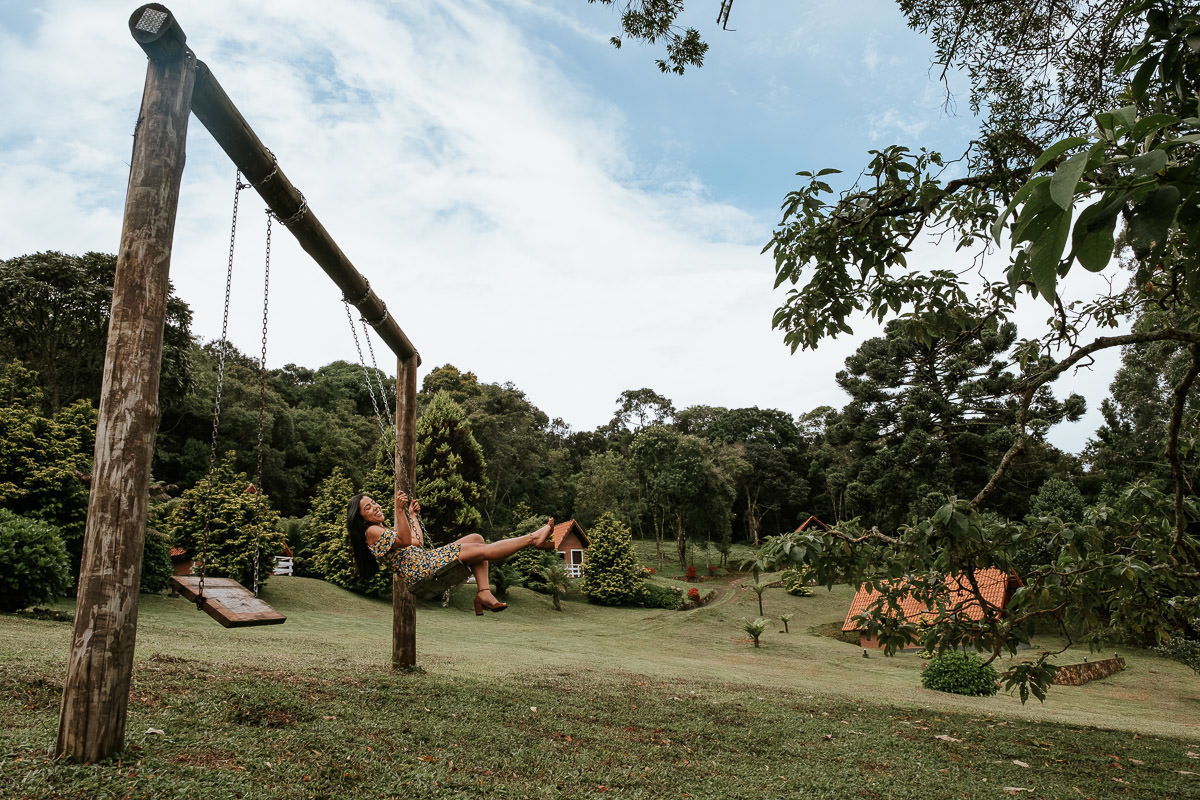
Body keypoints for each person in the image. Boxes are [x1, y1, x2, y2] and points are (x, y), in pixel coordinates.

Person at [347, 489, 553, 615]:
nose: (375, 506)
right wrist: (399, 511)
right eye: (368, 507)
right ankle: (532, 538)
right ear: (361, 518)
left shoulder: (381, 530)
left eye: (373, 502)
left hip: (425, 560)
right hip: (423, 569)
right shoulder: (371, 532)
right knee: (483, 550)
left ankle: (483, 592)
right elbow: (404, 540)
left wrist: (412, 516)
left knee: (476, 538)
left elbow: (416, 542)